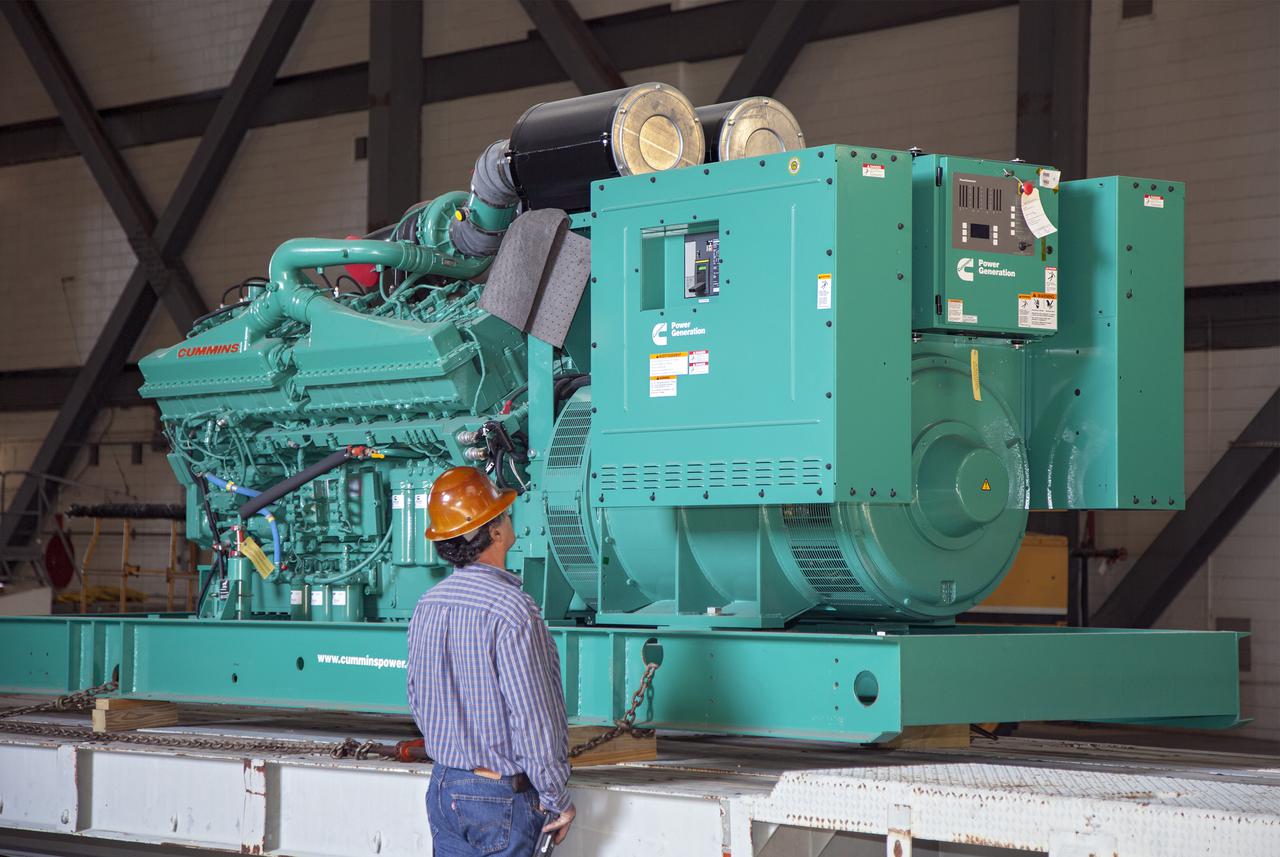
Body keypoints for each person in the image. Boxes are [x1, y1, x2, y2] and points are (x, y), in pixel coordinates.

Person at [407, 466, 575, 856]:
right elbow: (533, 716)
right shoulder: (512, 610)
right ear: (495, 532)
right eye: (504, 513)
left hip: (444, 786)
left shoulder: (428, 605)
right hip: (498, 795)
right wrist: (556, 797)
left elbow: (417, 697)